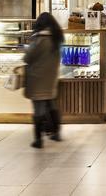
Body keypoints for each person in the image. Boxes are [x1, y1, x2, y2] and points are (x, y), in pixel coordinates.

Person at [22, 12, 64, 149]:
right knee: (51, 104)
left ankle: (38, 139)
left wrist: (25, 49)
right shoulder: (57, 38)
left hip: (37, 77)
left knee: (38, 108)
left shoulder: (39, 39)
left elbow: (28, 58)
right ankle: (56, 132)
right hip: (51, 77)